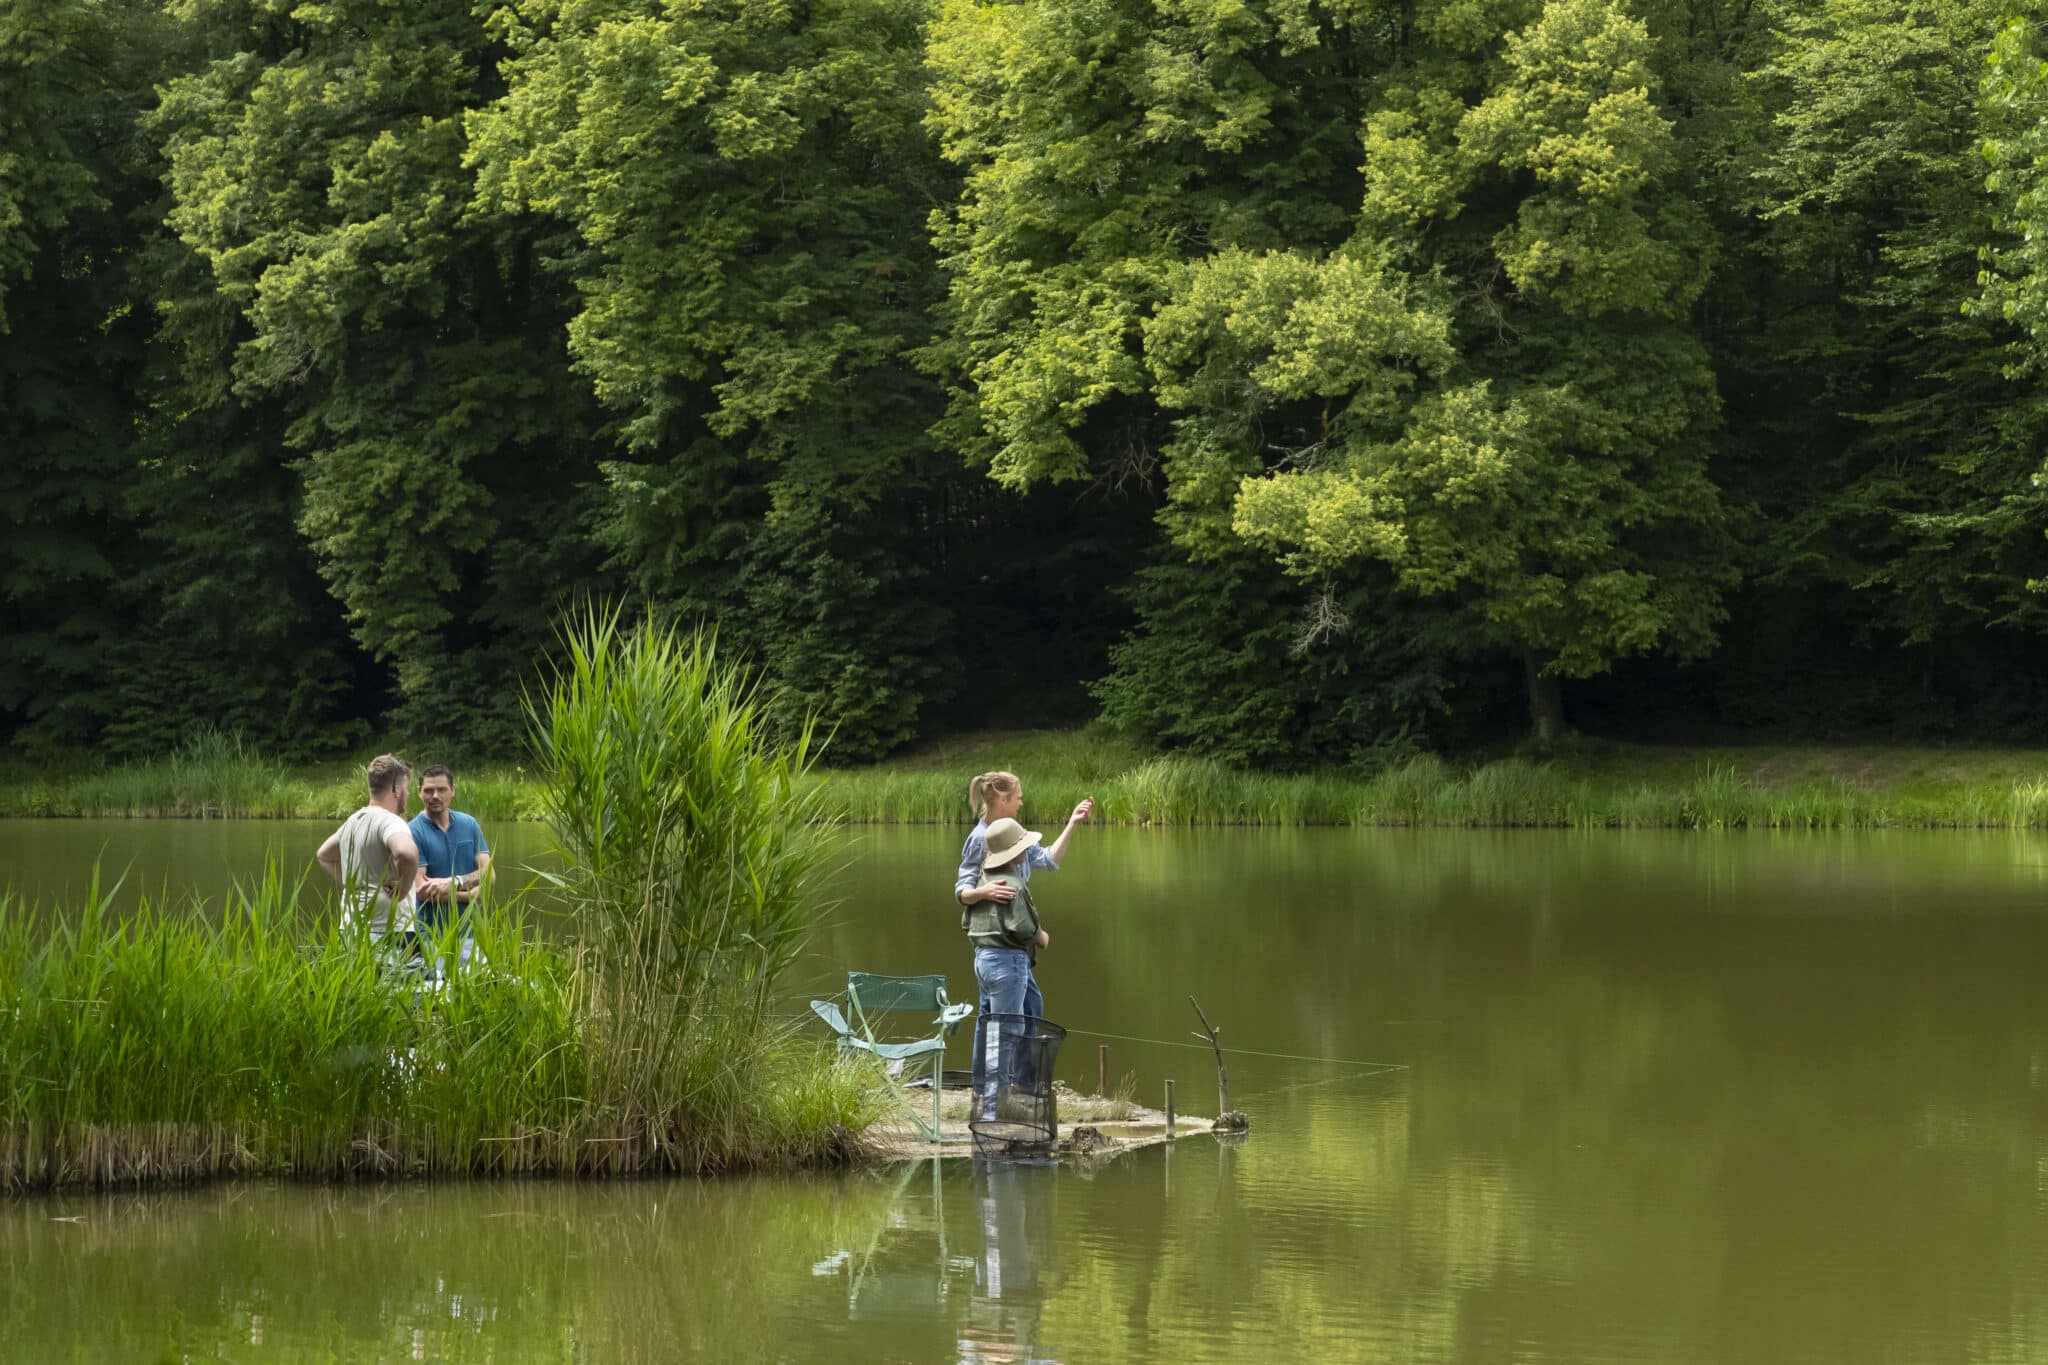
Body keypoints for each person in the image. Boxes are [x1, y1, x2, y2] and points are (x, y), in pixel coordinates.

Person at [953, 771, 1090, 1115]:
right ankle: (993, 1100)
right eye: (1018, 797)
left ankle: (1022, 1087)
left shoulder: (1014, 839)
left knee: (1028, 1009)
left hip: (1006, 952)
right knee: (1002, 1024)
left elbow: (1047, 860)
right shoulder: (981, 839)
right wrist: (983, 892)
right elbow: (963, 891)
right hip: (1002, 947)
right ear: (1001, 798)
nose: (1021, 802)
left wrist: (1072, 824)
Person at [315, 754, 421, 953]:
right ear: (395, 790)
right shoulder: (391, 821)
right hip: (391, 931)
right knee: (404, 984)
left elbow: (324, 855)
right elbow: (407, 853)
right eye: (406, 789)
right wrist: (404, 888)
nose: (407, 794)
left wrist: (350, 884)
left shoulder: (353, 821)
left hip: (350, 929)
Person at [408, 764, 491, 974]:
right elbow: (422, 890)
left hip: (471, 929)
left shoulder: (469, 824)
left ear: (452, 790)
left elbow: (489, 874)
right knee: (439, 994)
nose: (435, 796)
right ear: (419, 793)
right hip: (431, 933)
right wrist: (470, 895)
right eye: (428, 790)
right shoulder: (412, 831)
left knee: (477, 989)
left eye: (442, 789)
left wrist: (455, 883)